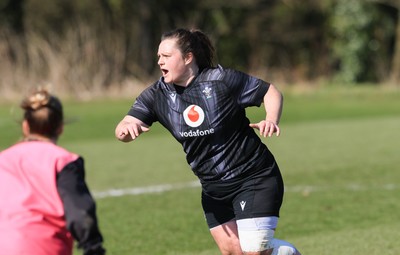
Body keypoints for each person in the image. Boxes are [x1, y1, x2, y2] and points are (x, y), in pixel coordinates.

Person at [115, 28, 301, 255]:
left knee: (253, 250)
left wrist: (271, 119)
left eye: (166, 56)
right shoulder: (157, 95)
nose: (159, 61)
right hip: (213, 188)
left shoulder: (221, 81)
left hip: (253, 177)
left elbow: (270, 92)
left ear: (188, 57)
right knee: (234, 252)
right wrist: (125, 128)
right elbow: (124, 126)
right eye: (158, 57)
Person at [0, 88, 106, 255]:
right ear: (60, 128)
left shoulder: (3, 159)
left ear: (25, 126)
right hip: (46, 248)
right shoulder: (63, 160)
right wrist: (93, 247)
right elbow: (79, 213)